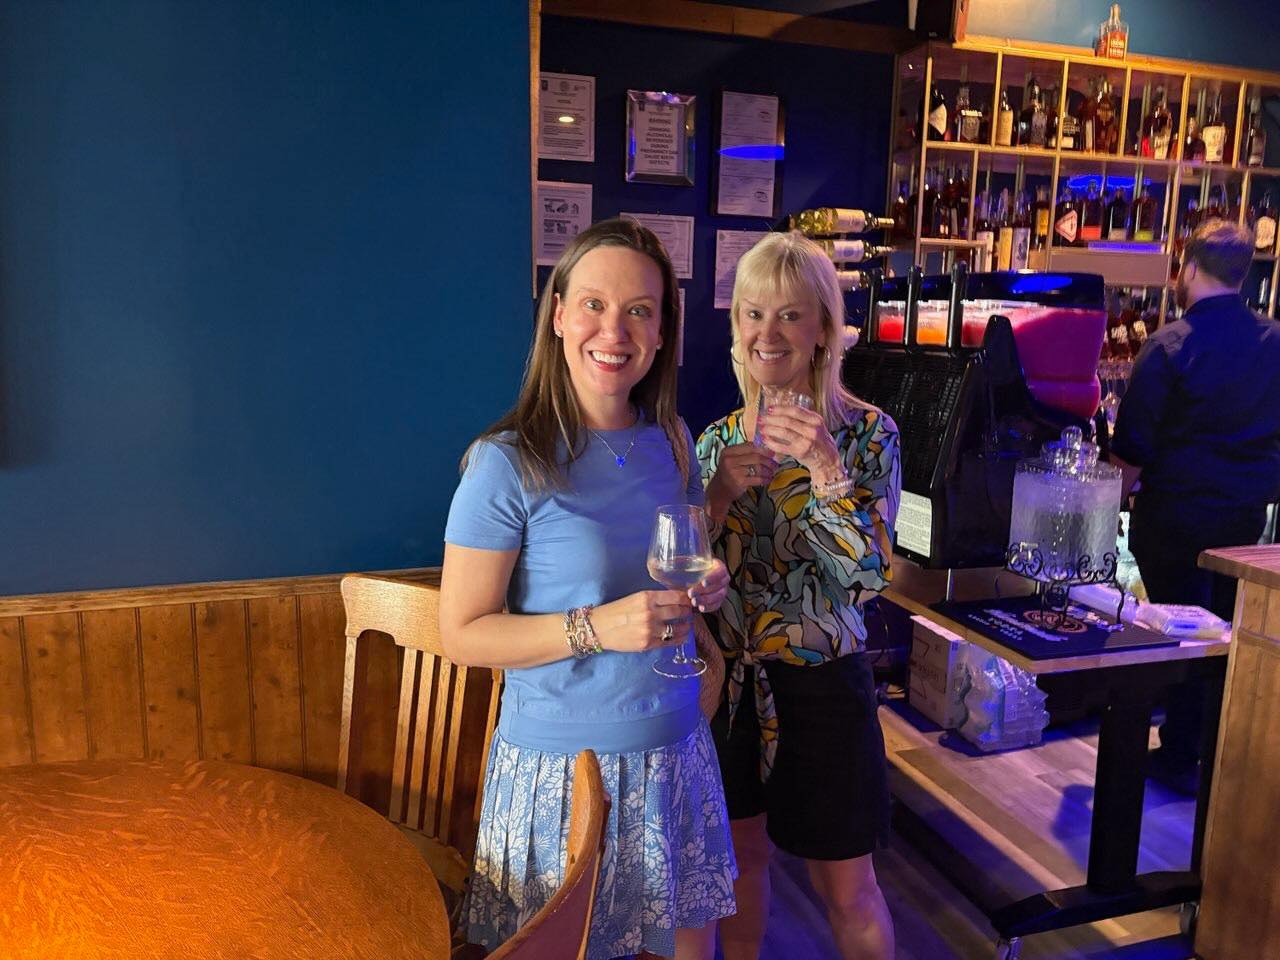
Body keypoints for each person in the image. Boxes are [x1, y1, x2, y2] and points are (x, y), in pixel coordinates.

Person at [439, 218, 737, 960]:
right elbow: (462, 633)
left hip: (675, 753)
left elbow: (681, 561)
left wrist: (707, 584)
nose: (615, 330)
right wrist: (596, 627)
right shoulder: (505, 462)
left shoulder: (674, 440)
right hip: (564, 772)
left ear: (662, 333)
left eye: (640, 310)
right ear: (559, 315)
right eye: (595, 305)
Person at [697, 231, 901, 960]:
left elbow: (868, 580)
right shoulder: (715, 441)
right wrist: (717, 496)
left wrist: (824, 469)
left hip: (823, 689)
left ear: (822, 330)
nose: (768, 333)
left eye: (789, 315)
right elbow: (686, 574)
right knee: (740, 867)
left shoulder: (869, 434)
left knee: (846, 886)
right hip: (730, 687)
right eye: (753, 314)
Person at [1112, 218, 1280, 787]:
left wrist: (1104, 509)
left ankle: (1180, 754)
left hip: (1174, 520)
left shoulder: (1169, 346)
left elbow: (1132, 450)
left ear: (1187, 269)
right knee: (1228, 635)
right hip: (1244, 520)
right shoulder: (1274, 341)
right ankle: (1213, 756)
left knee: (1181, 636)